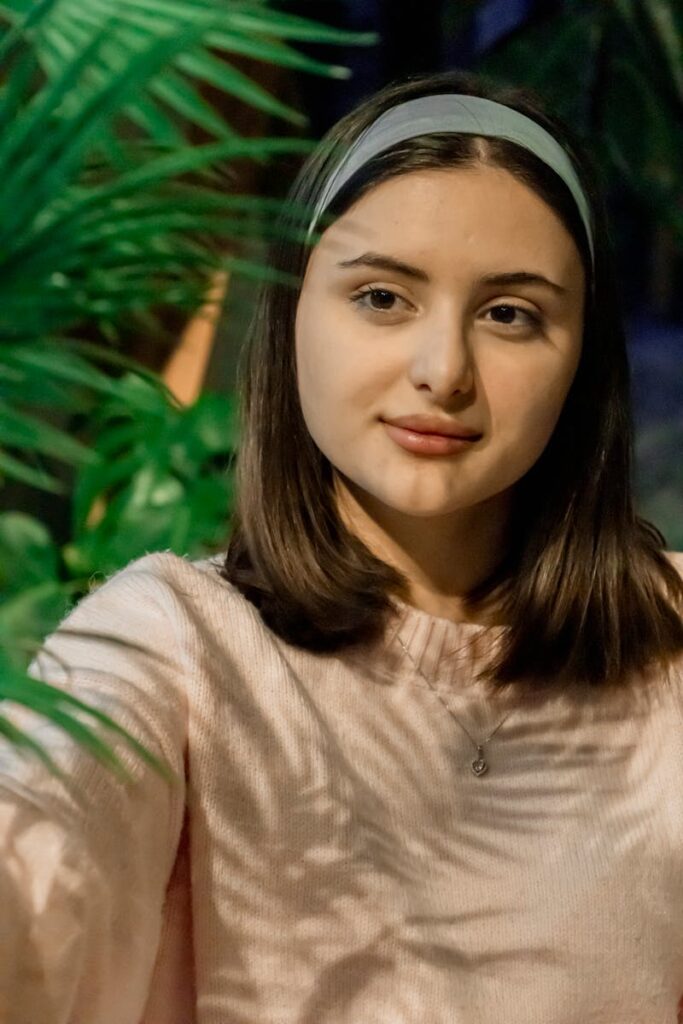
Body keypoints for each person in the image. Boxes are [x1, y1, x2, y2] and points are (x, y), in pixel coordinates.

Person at [1, 67, 683, 1024]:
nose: (442, 370)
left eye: (509, 314)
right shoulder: (175, 645)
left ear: (581, 361)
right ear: (289, 318)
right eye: (381, 298)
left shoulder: (668, 647)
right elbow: (39, 852)